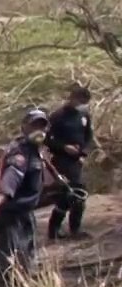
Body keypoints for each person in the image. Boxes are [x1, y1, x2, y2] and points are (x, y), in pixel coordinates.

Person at [0, 108, 49, 287]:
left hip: (25, 213)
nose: (38, 130)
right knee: (8, 256)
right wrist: (3, 195)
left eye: (42, 126)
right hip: (11, 215)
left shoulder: (36, 151)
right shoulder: (20, 152)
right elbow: (13, 174)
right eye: (34, 125)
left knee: (25, 255)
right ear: (24, 127)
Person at [46, 84, 94, 240]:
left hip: (77, 160)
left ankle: (66, 229)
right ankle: (64, 229)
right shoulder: (57, 116)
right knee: (75, 192)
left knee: (70, 195)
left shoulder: (84, 115)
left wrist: (83, 152)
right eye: (79, 100)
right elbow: (46, 139)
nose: (81, 105)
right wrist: (63, 147)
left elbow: (88, 136)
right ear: (72, 97)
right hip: (61, 160)